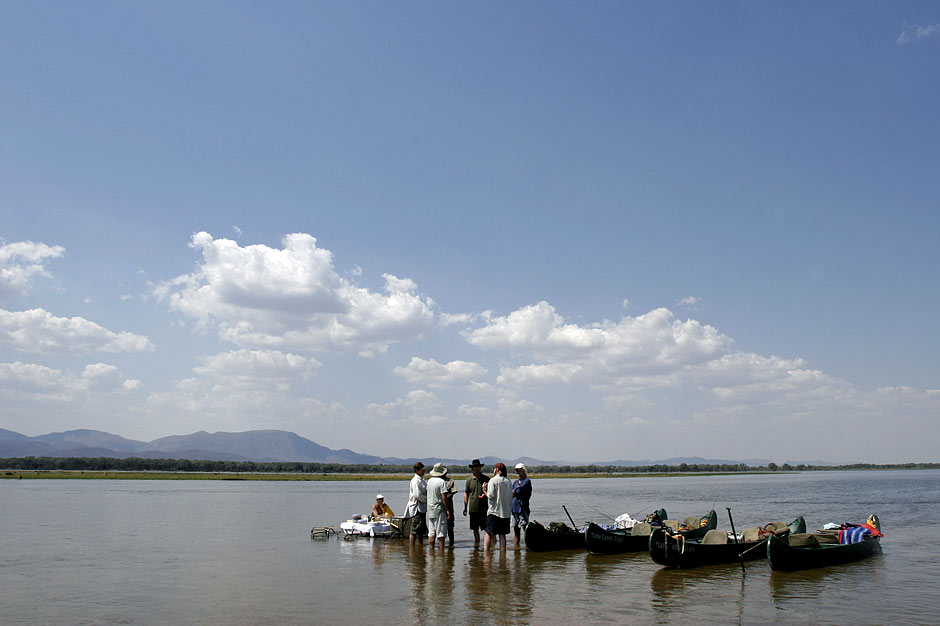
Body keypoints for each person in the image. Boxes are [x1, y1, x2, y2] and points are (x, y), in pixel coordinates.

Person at [482, 462, 512, 551]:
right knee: (502, 535)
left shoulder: (493, 480)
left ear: (497, 469)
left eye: (494, 468)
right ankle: (503, 554)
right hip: (505, 513)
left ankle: (486, 553)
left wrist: (484, 490)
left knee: (488, 532)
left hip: (494, 512)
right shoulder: (508, 481)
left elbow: (490, 495)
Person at [463, 459, 490, 544]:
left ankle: (490, 545)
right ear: (472, 468)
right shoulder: (469, 480)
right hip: (473, 509)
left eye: (478, 466)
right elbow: (466, 493)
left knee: (487, 528)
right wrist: (465, 507)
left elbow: (491, 493)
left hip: (484, 508)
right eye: (475, 467)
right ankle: (477, 545)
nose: (476, 468)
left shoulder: (486, 479)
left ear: (480, 467)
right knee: (475, 529)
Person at [425, 463, 449, 550]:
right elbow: (444, 497)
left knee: (431, 533)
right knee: (440, 533)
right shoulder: (441, 482)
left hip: (430, 510)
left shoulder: (429, 481)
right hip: (439, 509)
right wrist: (448, 510)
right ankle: (441, 552)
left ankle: (431, 552)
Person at [404, 461, 427, 545]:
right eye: (422, 470)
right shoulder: (415, 481)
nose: (424, 471)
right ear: (417, 470)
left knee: (421, 529)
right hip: (417, 507)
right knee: (414, 529)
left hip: (422, 507)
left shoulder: (422, 480)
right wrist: (428, 499)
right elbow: (417, 495)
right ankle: (412, 547)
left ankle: (420, 547)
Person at [511, 463, 532, 547]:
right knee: (515, 529)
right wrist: (515, 491)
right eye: (516, 470)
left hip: (522, 509)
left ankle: (528, 546)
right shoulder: (515, 482)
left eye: (519, 470)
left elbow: (518, 491)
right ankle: (517, 547)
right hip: (514, 509)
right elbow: (512, 493)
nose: (517, 472)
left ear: (523, 470)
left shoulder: (527, 481)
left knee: (525, 528)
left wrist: (515, 491)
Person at [442, 468, 459, 547]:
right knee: (440, 528)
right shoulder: (436, 481)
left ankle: (451, 544)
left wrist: (448, 496)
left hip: (449, 507)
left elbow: (454, 491)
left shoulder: (450, 481)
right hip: (439, 508)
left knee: (450, 527)